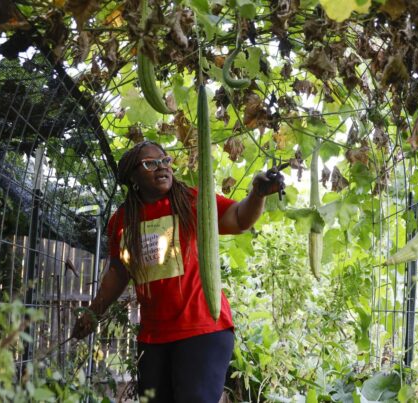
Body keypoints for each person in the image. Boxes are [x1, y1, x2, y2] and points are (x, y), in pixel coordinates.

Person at [71, 140, 285, 402]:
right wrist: (93, 313)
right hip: (154, 337)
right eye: (150, 163)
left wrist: (258, 194)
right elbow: (118, 273)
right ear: (132, 176)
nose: (162, 167)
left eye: (165, 161)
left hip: (203, 329)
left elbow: (240, 219)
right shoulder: (122, 220)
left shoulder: (191, 201)